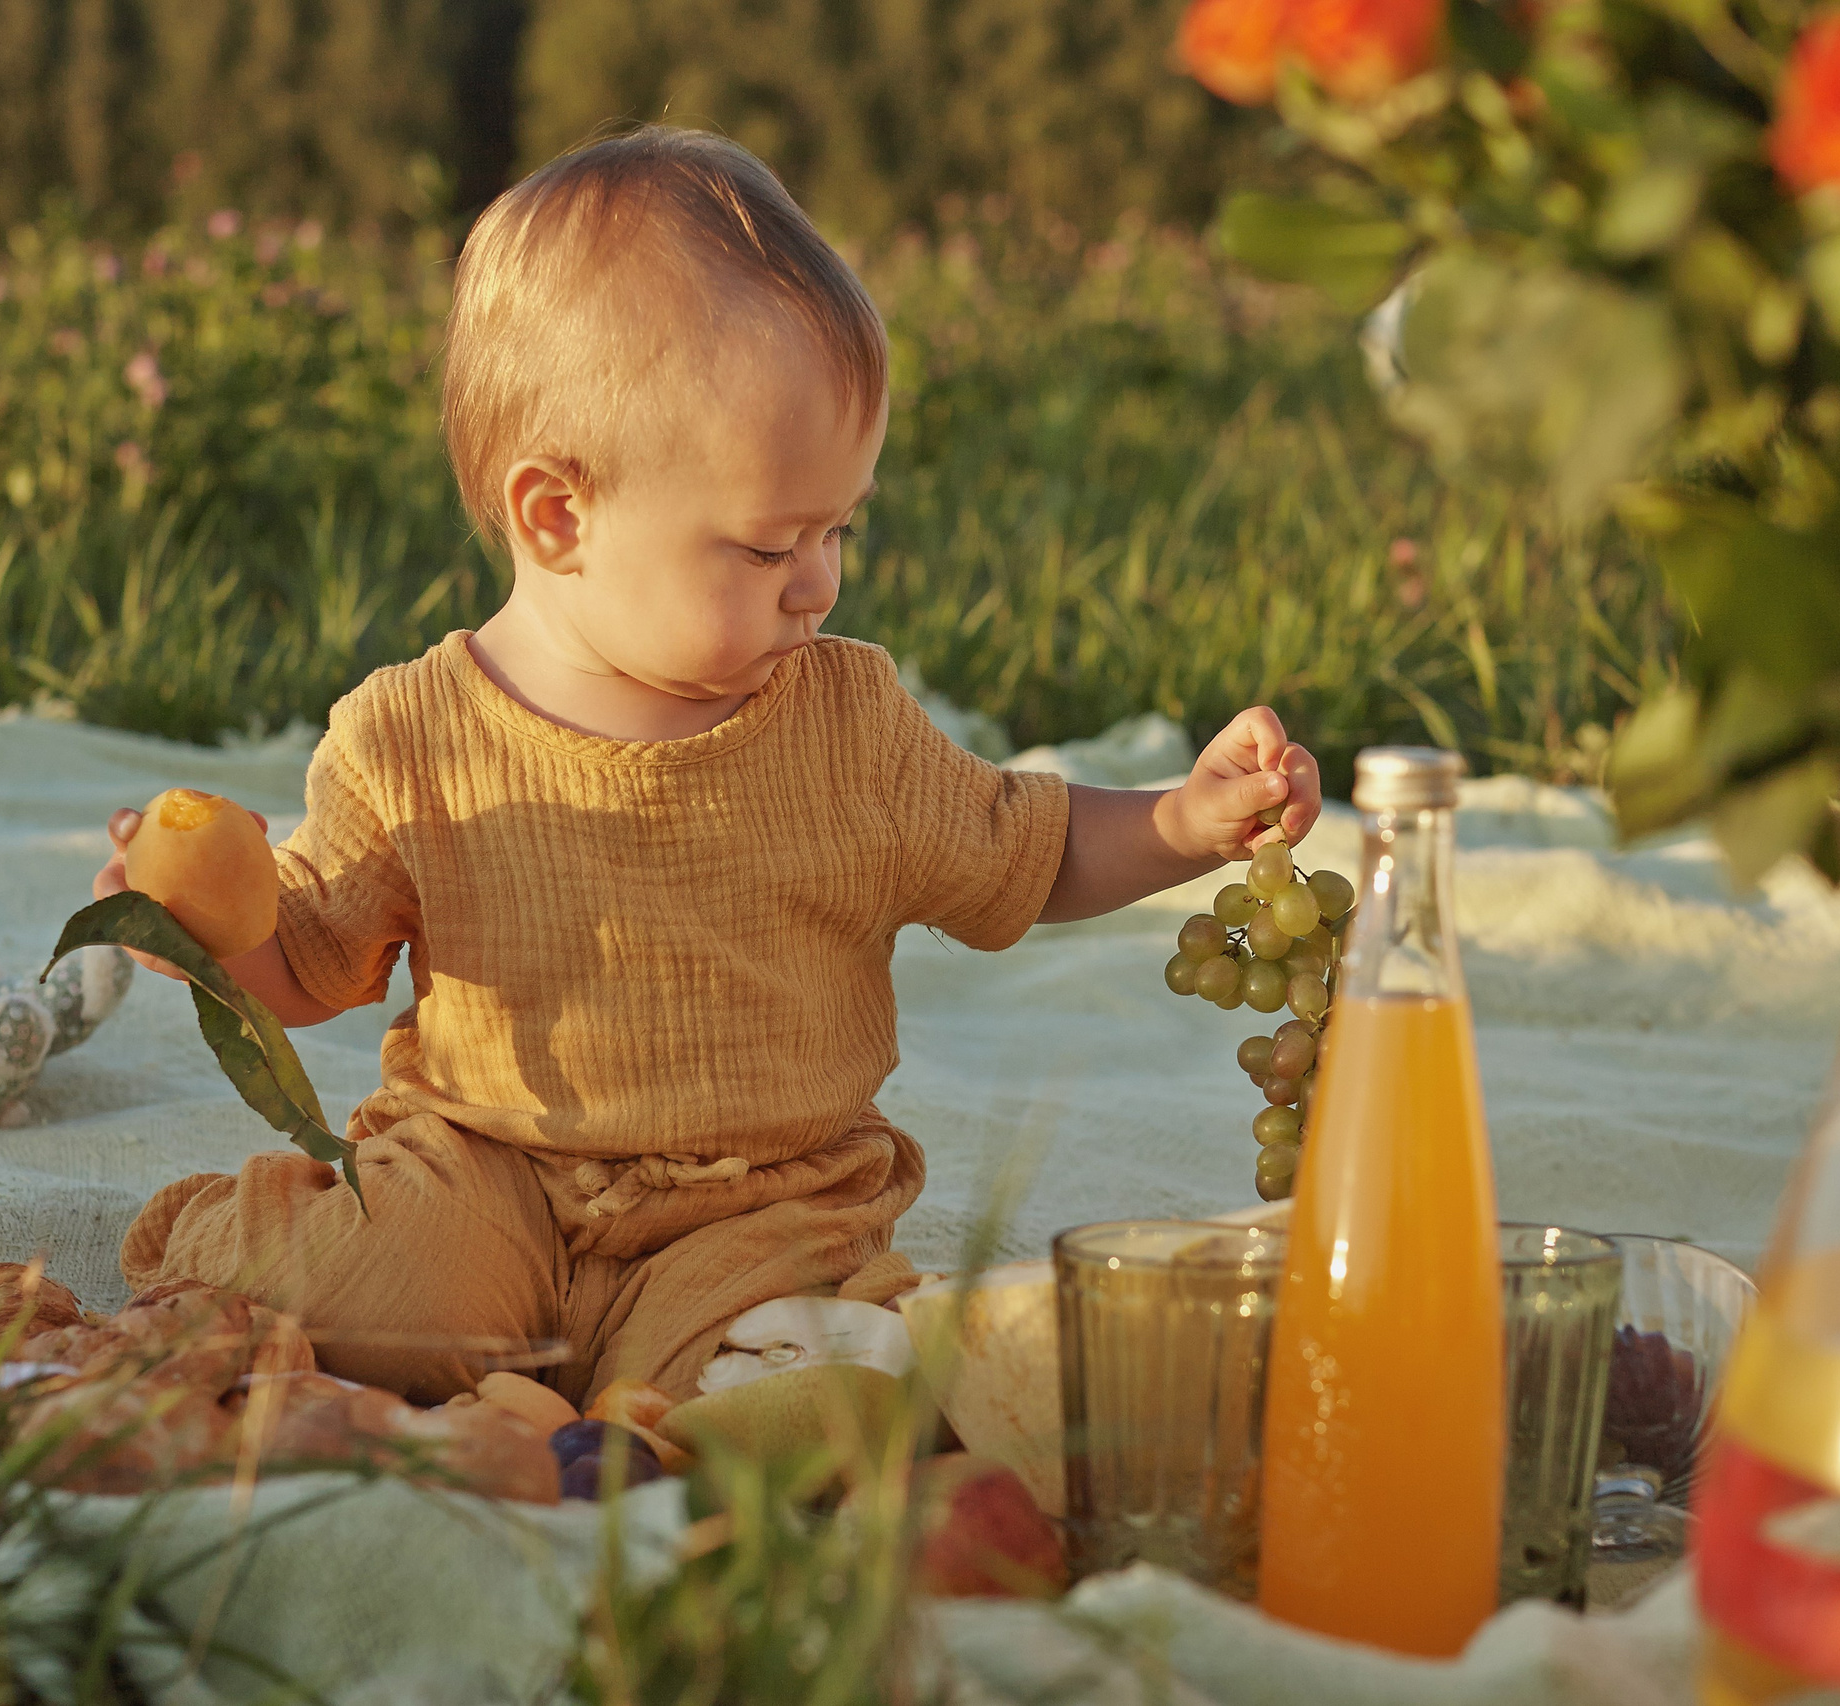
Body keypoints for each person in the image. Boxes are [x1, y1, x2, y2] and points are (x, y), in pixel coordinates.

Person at [95, 126, 1322, 1407]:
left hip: (760, 1203)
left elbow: (1024, 842)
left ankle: (736, 1378)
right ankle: (218, 1246)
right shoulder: (411, 737)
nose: (821, 581)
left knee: (785, 1372)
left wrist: (1179, 822)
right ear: (559, 515)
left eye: (840, 526)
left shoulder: (843, 721)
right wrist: (195, 925)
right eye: (766, 544)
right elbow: (303, 963)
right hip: (488, 1170)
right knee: (377, 1287)